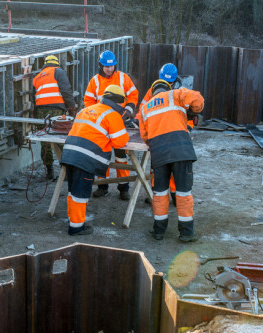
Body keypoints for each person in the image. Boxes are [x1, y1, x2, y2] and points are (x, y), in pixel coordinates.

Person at [136, 64, 204, 242]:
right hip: (181, 151)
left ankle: (158, 231)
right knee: (182, 193)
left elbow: (145, 136)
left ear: (153, 90)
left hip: (159, 154)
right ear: (169, 86)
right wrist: (191, 112)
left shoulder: (145, 108)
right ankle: (186, 233)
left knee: (159, 193)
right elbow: (198, 100)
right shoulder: (177, 94)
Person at [60, 85, 129, 235]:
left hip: (69, 155)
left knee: (72, 191)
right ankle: (76, 228)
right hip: (86, 159)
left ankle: (73, 221)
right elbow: (120, 142)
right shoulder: (113, 115)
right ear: (119, 102)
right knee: (80, 193)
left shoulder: (85, 110)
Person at [83, 50, 138, 200]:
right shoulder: (94, 81)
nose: (109, 69)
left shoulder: (123, 78)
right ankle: (103, 186)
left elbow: (133, 94)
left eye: (112, 66)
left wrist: (129, 109)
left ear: (115, 65)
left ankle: (123, 187)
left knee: (121, 156)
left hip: (120, 122)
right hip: (102, 126)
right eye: (106, 66)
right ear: (101, 66)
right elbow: (88, 102)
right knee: (102, 155)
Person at [140, 63, 192, 206]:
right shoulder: (153, 91)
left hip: (176, 134)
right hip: (159, 133)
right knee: (158, 166)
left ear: (175, 81)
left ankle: (176, 196)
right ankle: (156, 194)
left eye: (170, 82)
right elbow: (142, 110)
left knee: (176, 168)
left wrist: (187, 128)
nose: (167, 85)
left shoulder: (181, 93)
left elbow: (191, 114)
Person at [32, 54, 77, 180]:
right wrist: (72, 108)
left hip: (41, 112)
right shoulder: (58, 71)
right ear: (56, 63)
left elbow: (33, 97)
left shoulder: (37, 77)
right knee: (62, 139)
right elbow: (66, 91)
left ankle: (49, 171)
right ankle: (69, 170)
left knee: (45, 141)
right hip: (56, 111)